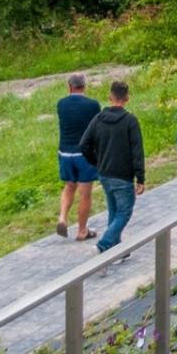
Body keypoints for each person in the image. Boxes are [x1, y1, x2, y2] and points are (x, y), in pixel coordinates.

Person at [79, 79, 145, 255]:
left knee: (114, 211)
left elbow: (84, 144)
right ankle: (102, 246)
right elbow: (137, 151)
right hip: (123, 176)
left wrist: (97, 161)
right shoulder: (130, 121)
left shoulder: (98, 118)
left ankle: (116, 250)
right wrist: (140, 178)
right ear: (127, 98)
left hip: (105, 173)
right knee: (124, 212)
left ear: (110, 97)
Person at [54, 73, 101, 240]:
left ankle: (62, 218)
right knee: (85, 193)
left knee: (69, 187)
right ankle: (82, 230)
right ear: (84, 86)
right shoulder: (93, 105)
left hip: (65, 152)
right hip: (84, 154)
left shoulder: (61, 104)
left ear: (69, 86)